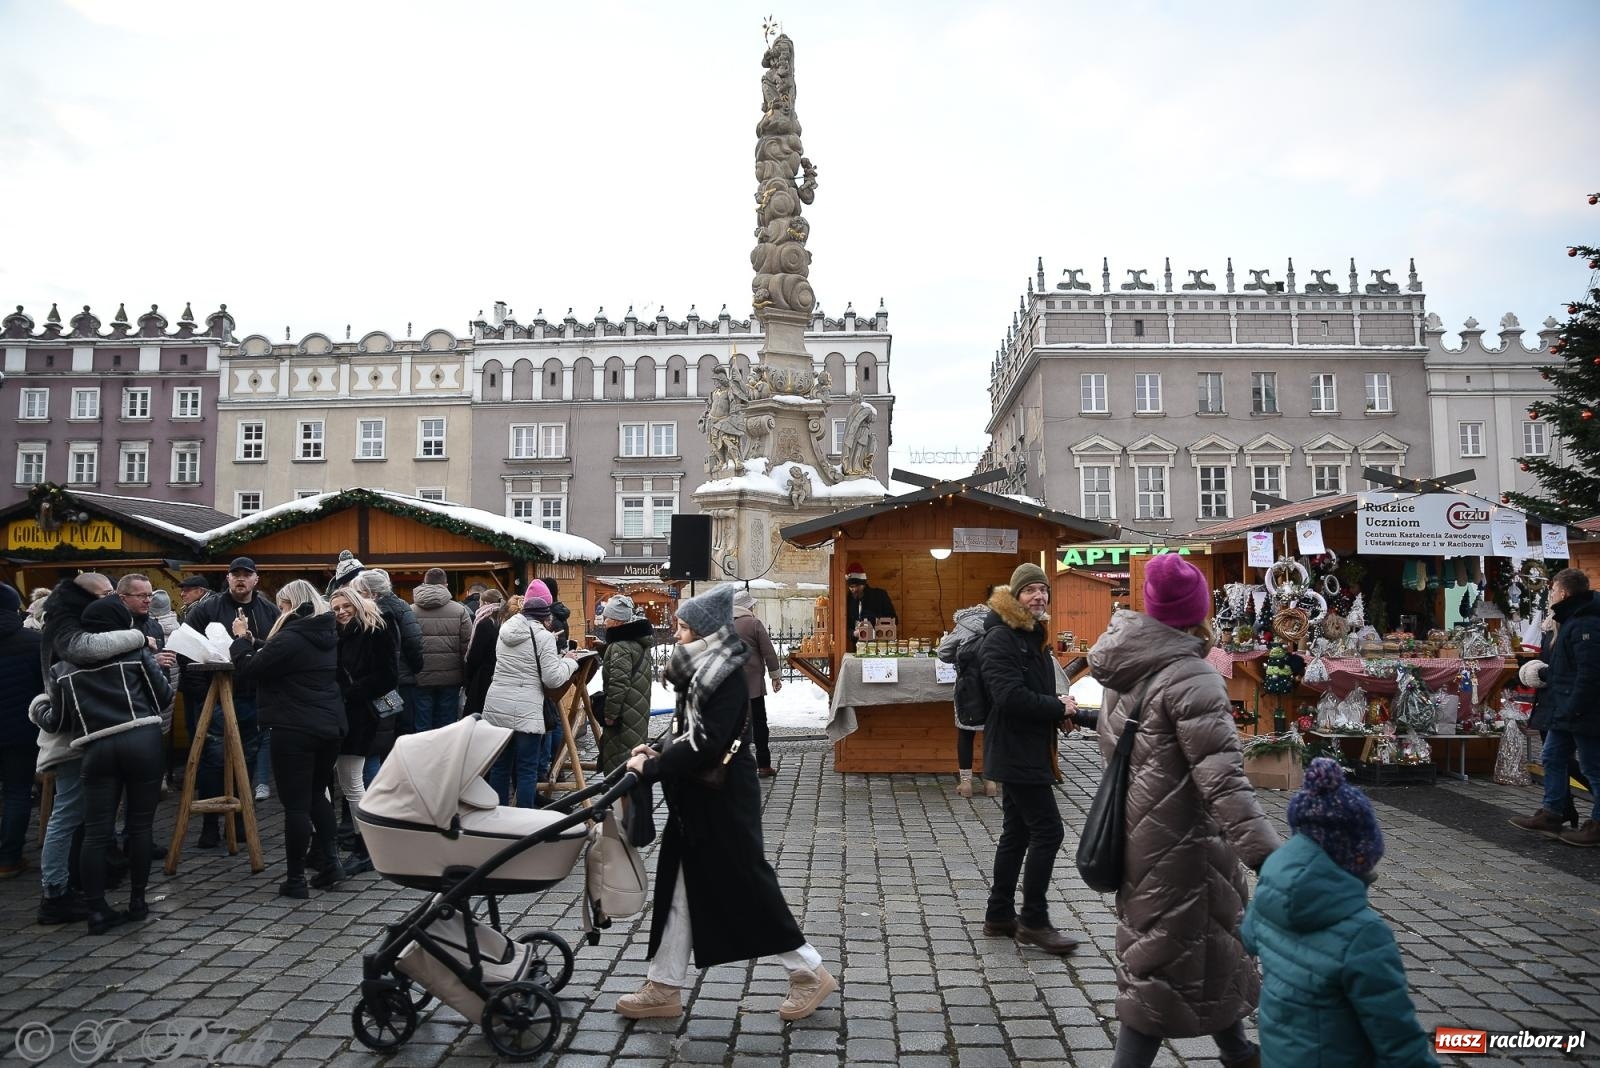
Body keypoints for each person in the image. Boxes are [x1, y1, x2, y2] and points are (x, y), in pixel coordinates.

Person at [1088, 553, 1280, 1068]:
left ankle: (1238, 1051)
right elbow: (1224, 780)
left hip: (1142, 837)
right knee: (1161, 963)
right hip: (1185, 848)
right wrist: (1271, 857)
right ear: (1199, 612)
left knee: (1210, 948)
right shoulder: (1193, 677)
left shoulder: (1127, 667)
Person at [618, 585, 837, 1022]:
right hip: (697, 797)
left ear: (704, 632)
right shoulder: (700, 669)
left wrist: (656, 767)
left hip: (723, 798)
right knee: (679, 886)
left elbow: (707, 741)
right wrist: (656, 749)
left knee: (747, 885)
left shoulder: (725, 674)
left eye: (683, 627)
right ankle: (663, 985)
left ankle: (809, 972)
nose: (675, 634)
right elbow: (684, 729)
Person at [1243, 758, 1438, 1067]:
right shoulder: (1364, 934)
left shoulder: (1271, 888)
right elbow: (1396, 1034)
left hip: (1280, 1054)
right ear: (1359, 854)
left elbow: (1249, 937)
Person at [975, 564, 1081, 954]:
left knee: (1017, 832)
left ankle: (999, 914)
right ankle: (1034, 921)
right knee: (1048, 831)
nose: (1039, 596)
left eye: (1043, 590)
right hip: (1015, 750)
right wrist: (1055, 706)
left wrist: (1058, 710)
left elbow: (1030, 691)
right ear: (1015, 596)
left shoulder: (1031, 635)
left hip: (1028, 746)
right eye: (1030, 590)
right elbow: (1008, 696)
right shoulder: (1001, 637)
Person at [35, 573, 146, 925]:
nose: (112, 599)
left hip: (85, 734)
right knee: (68, 815)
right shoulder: (65, 627)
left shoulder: (71, 620)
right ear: (82, 596)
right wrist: (138, 637)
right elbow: (86, 651)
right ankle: (55, 893)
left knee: (84, 818)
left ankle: (76, 884)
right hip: (72, 738)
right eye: (106, 593)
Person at [229, 579, 348, 898]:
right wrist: (255, 641)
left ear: (290, 605)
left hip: (294, 727)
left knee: (296, 805)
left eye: (282, 606)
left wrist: (240, 640)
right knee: (317, 796)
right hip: (328, 725)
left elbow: (250, 669)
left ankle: (296, 880)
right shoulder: (324, 631)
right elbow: (281, 656)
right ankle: (332, 864)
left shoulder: (291, 635)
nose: (279, 611)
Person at [62, 595, 173, 934]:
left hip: (96, 747)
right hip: (141, 740)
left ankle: (97, 910)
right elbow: (163, 697)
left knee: (96, 832)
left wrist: (38, 707)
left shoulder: (64, 666)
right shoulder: (135, 653)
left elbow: (59, 719)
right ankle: (138, 901)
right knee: (139, 827)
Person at [181, 558, 277, 847]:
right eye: (236, 574)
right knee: (212, 759)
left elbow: (275, 651)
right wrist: (202, 693)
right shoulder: (206, 609)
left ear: (256, 579)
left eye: (247, 575)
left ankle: (239, 819)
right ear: (228, 578)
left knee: (247, 758)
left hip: (252, 697)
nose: (241, 579)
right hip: (214, 697)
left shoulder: (268, 611)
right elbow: (186, 650)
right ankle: (210, 823)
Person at [1511, 568, 1600, 845]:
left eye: (1552, 591)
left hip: (1582, 709)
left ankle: (1598, 824)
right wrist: (1544, 674)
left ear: (1563, 592)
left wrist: (1574, 705)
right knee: (1551, 756)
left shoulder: (1585, 623)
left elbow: (1589, 672)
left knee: (1592, 767)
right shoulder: (1570, 619)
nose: (1550, 595)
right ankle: (1553, 812)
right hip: (1564, 707)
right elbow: (1565, 668)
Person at [330, 586, 398, 875]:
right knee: (346, 781)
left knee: (353, 781)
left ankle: (365, 847)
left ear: (357, 603)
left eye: (346, 606)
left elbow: (388, 676)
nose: (341, 612)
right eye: (336, 608)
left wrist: (350, 693)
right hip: (338, 713)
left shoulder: (376, 628)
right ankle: (357, 844)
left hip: (360, 714)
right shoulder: (334, 633)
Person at [483, 597, 576, 806]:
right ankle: (525, 817)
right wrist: (569, 662)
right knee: (527, 769)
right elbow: (552, 679)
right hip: (527, 708)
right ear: (544, 617)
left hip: (497, 704)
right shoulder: (544, 636)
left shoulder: (505, 629)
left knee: (500, 767)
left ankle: (498, 816)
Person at [939, 586, 1001, 799]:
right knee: (991, 733)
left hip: (967, 687)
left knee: (965, 733)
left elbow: (943, 653)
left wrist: (958, 657)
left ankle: (966, 783)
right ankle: (990, 781)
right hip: (994, 687)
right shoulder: (1000, 624)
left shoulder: (963, 624)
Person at [353, 568, 425, 741]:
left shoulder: (378, 614)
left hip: (390, 679)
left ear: (373, 593)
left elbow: (412, 642)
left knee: (386, 727)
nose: (355, 597)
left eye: (359, 592)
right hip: (401, 677)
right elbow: (414, 641)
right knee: (399, 727)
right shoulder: (402, 606)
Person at [0, 583, 42, 880]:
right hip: (21, 732)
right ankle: (8, 859)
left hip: (17, 731)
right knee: (17, 792)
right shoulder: (33, 642)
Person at [598, 594, 655, 775]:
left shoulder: (620, 646)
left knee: (619, 764)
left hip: (623, 714)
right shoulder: (636, 641)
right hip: (636, 709)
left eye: (607, 618)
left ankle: (620, 794)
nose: (604, 622)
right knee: (634, 756)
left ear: (617, 621)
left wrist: (610, 714)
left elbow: (618, 683)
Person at [411, 567, 471, 732]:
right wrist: (466, 676)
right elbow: (467, 646)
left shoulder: (410, 610)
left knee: (422, 724)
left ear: (424, 584)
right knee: (447, 724)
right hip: (451, 678)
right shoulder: (460, 610)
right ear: (446, 585)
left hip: (420, 677)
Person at [731, 588, 782, 777]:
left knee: (735, 727)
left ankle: (733, 765)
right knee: (759, 723)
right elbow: (769, 652)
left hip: (731, 686)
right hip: (753, 686)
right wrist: (775, 676)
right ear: (748, 607)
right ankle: (763, 765)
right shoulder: (754, 623)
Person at [461, 588, 506, 719]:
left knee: (476, 717)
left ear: (486, 603)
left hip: (483, 677)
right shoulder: (505, 621)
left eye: (480, 603)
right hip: (499, 674)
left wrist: (468, 677)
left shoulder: (484, 623)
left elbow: (475, 655)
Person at [843, 563, 895, 651]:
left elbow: (893, 619)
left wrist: (876, 629)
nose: (854, 589)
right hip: (858, 647)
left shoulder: (880, 596)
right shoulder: (849, 599)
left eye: (857, 586)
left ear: (864, 584)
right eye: (851, 587)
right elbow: (845, 625)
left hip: (880, 646)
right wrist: (853, 633)